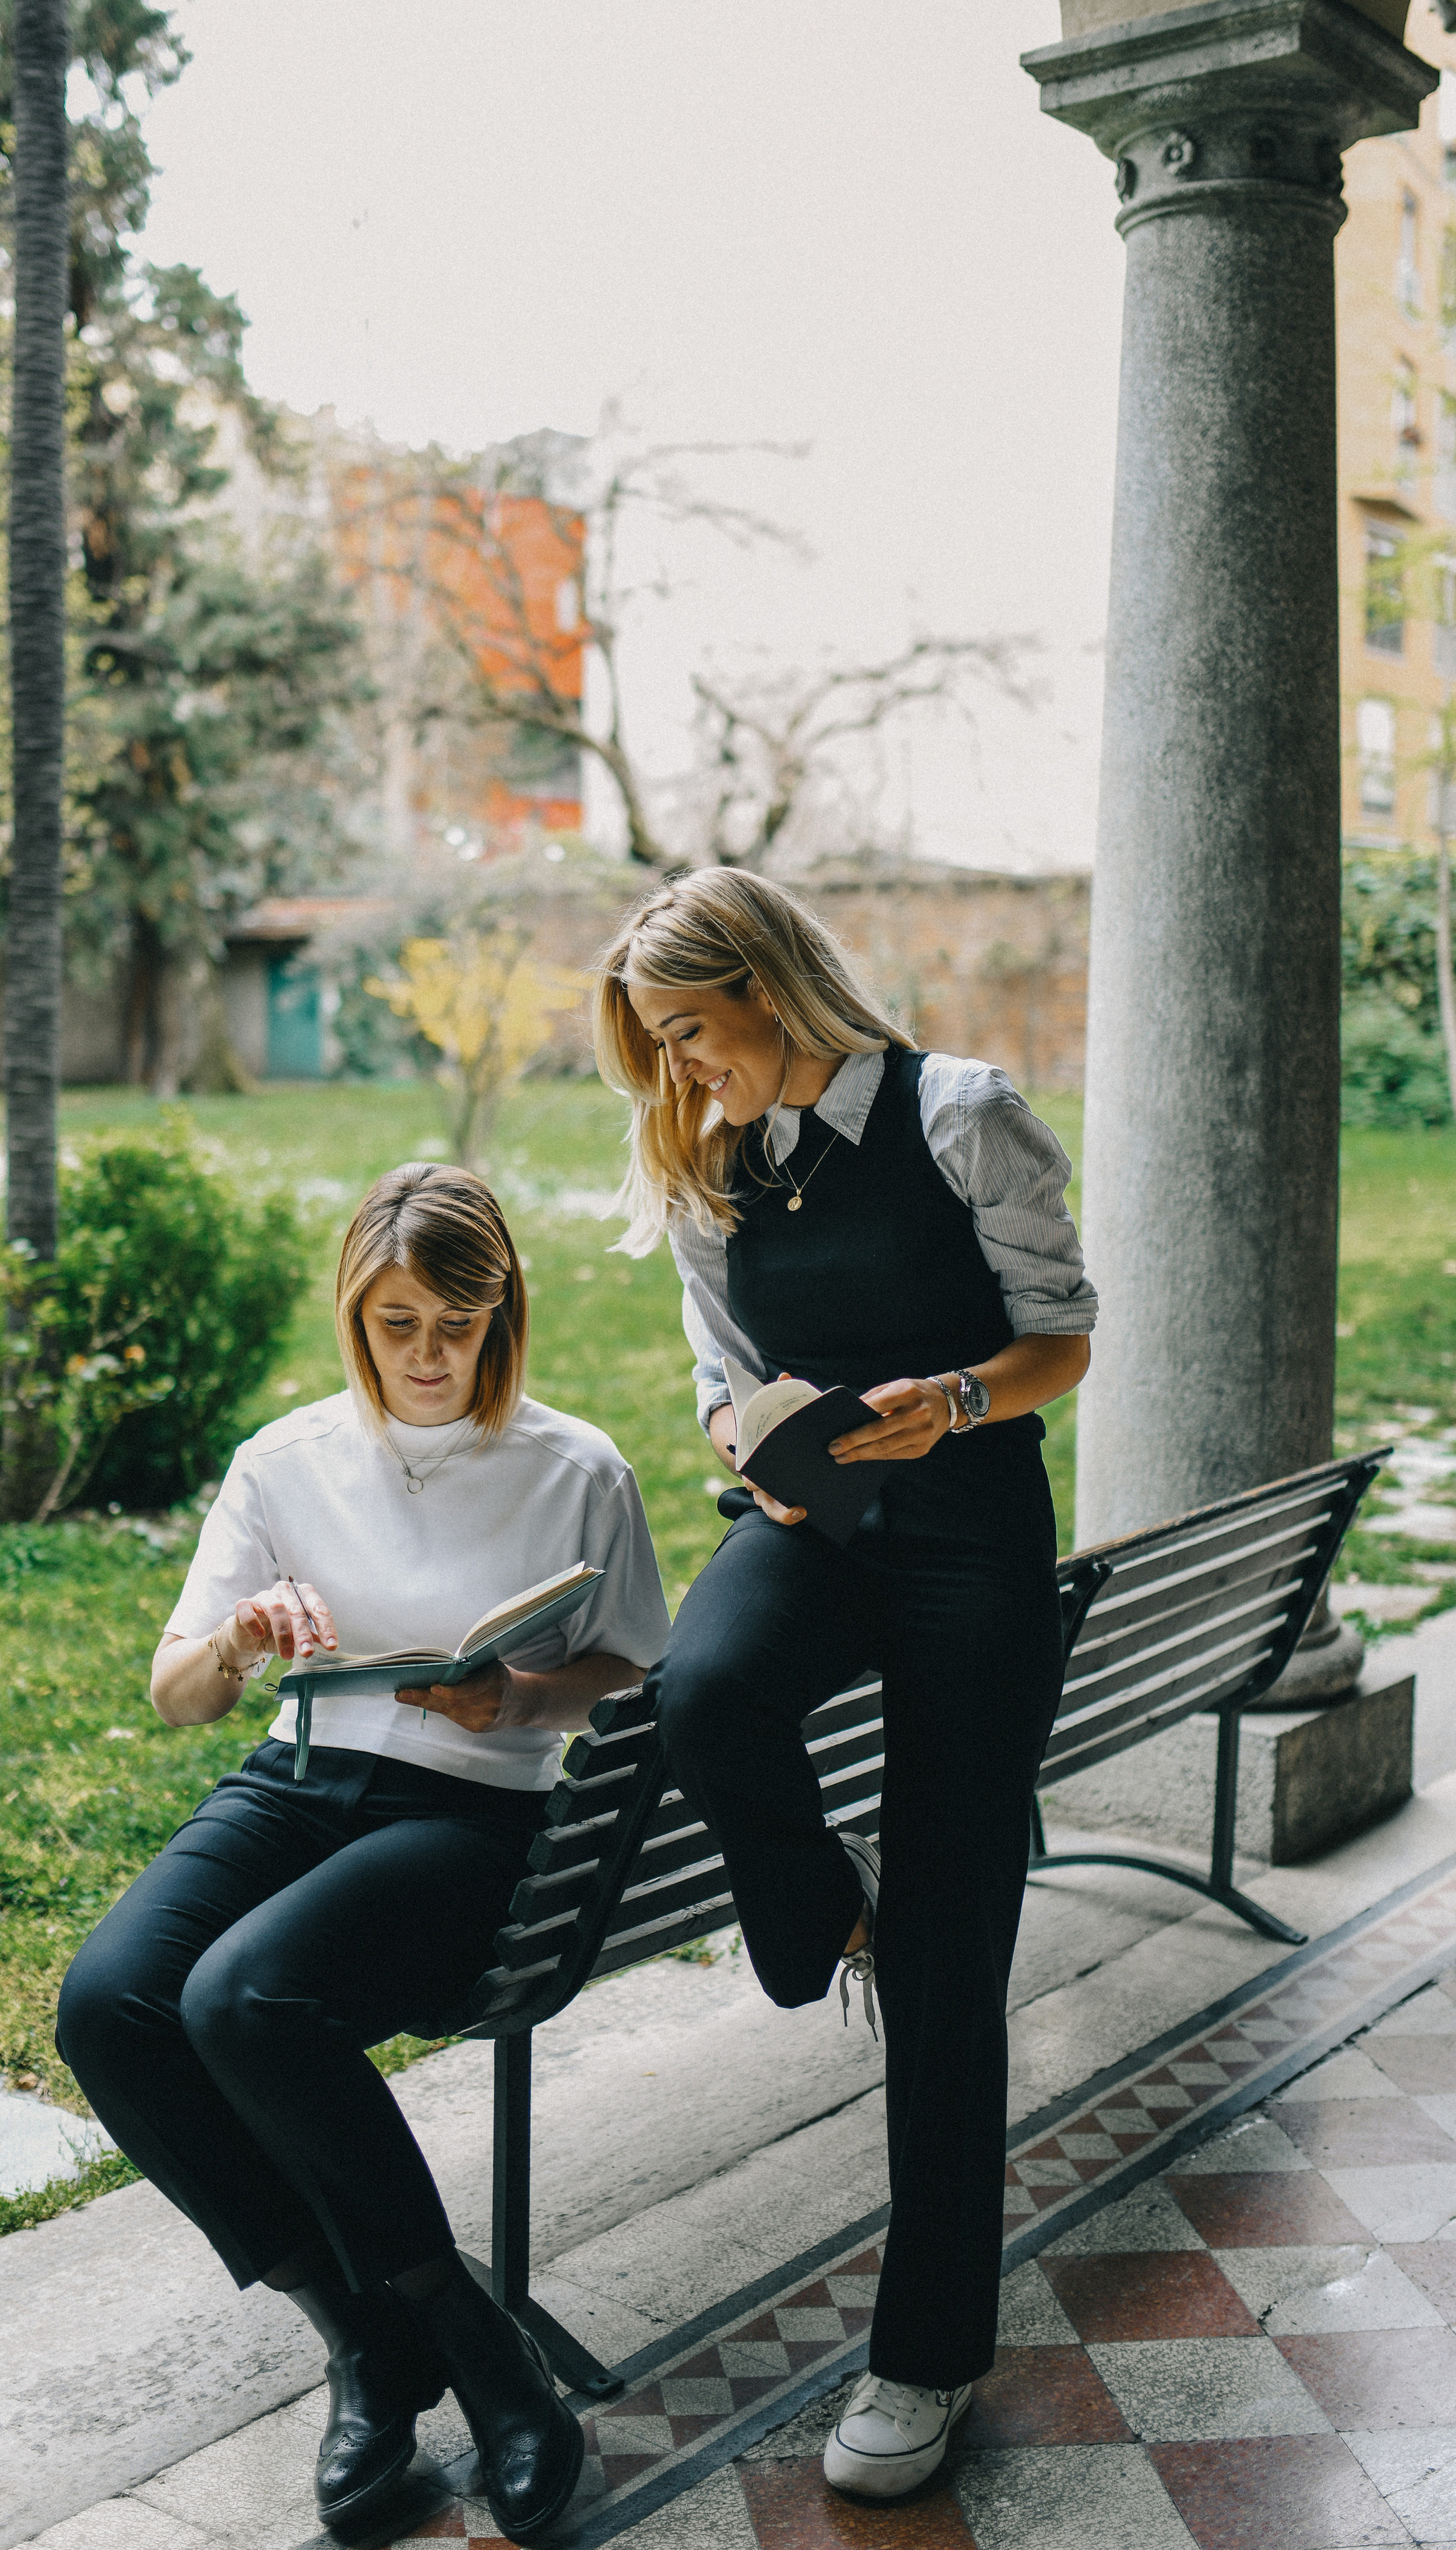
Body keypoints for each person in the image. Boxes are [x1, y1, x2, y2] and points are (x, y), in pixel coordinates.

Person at [57, 1164, 670, 2544]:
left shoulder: (576, 1468)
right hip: (298, 1778)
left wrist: (516, 1696)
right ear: (356, 1317)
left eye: (457, 1323)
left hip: (472, 1812)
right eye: (397, 1325)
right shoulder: (284, 1462)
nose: (428, 1356)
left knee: (244, 1998)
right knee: (110, 2005)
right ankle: (368, 2340)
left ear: (501, 1310)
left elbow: (635, 1667)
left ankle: (480, 2356)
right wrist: (234, 1642)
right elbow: (176, 1695)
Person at [594, 869, 1096, 2503]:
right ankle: (826, 1915)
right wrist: (755, 1449)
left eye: (689, 1029)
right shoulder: (703, 1167)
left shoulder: (962, 1118)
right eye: (657, 1045)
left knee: (951, 1983)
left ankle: (923, 2358)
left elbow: (1059, 1342)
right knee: (706, 1694)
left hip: (966, 1546)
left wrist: (943, 1402)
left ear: (766, 985)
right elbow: (713, 1381)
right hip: (815, 1528)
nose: (681, 1071)